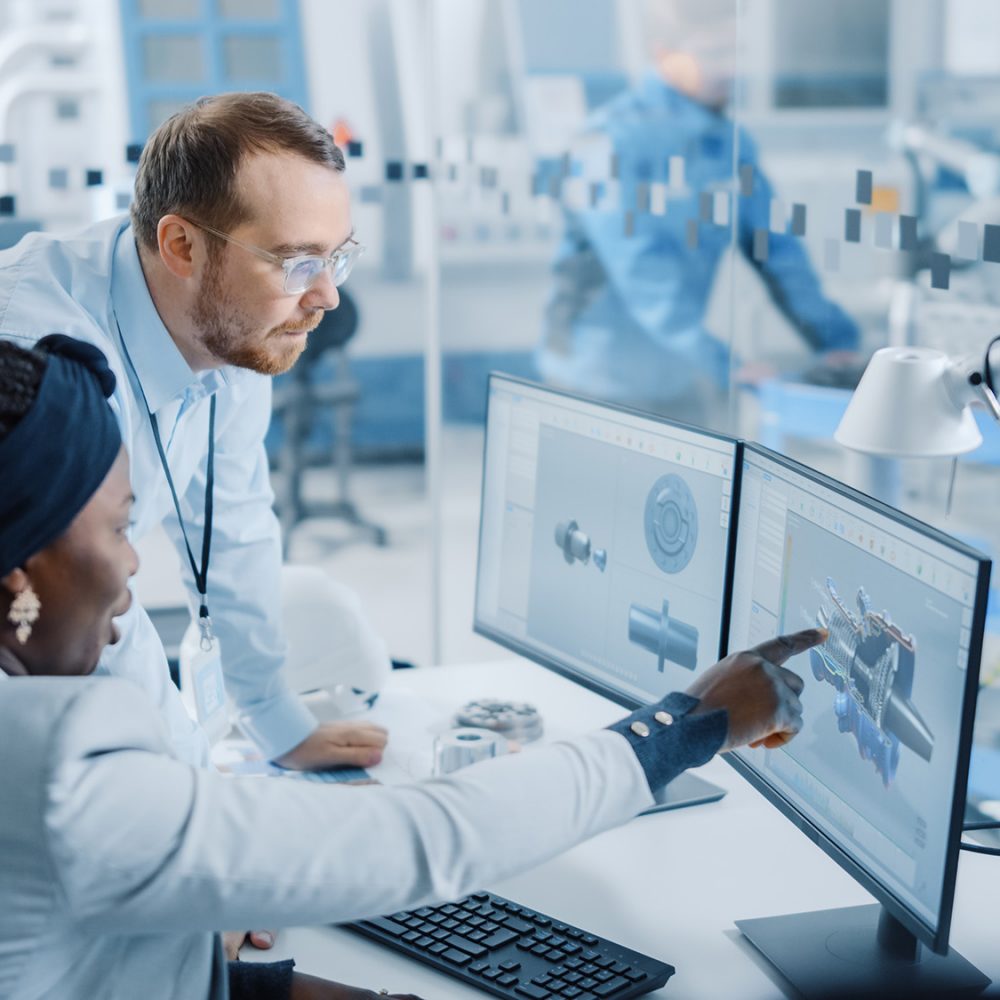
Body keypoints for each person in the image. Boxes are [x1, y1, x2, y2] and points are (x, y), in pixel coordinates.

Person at [0, 336, 824, 999]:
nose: (135, 568)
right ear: (19, 580)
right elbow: (426, 839)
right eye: (117, 530)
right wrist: (689, 724)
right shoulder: (47, 770)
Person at [0, 91, 388, 773]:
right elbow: (89, 616)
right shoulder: (46, 360)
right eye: (298, 261)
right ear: (181, 244)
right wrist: (200, 793)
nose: (326, 295)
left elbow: (234, 523)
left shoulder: (229, 323)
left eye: (336, 257)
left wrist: (275, 720)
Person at [537, 0, 860, 425]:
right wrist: (723, 362)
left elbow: (776, 249)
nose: (730, 68)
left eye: (736, 53)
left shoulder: (729, 145)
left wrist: (833, 339)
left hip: (674, 376)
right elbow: (642, 272)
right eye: (713, 54)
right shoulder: (607, 141)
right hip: (594, 379)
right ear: (662, 52)